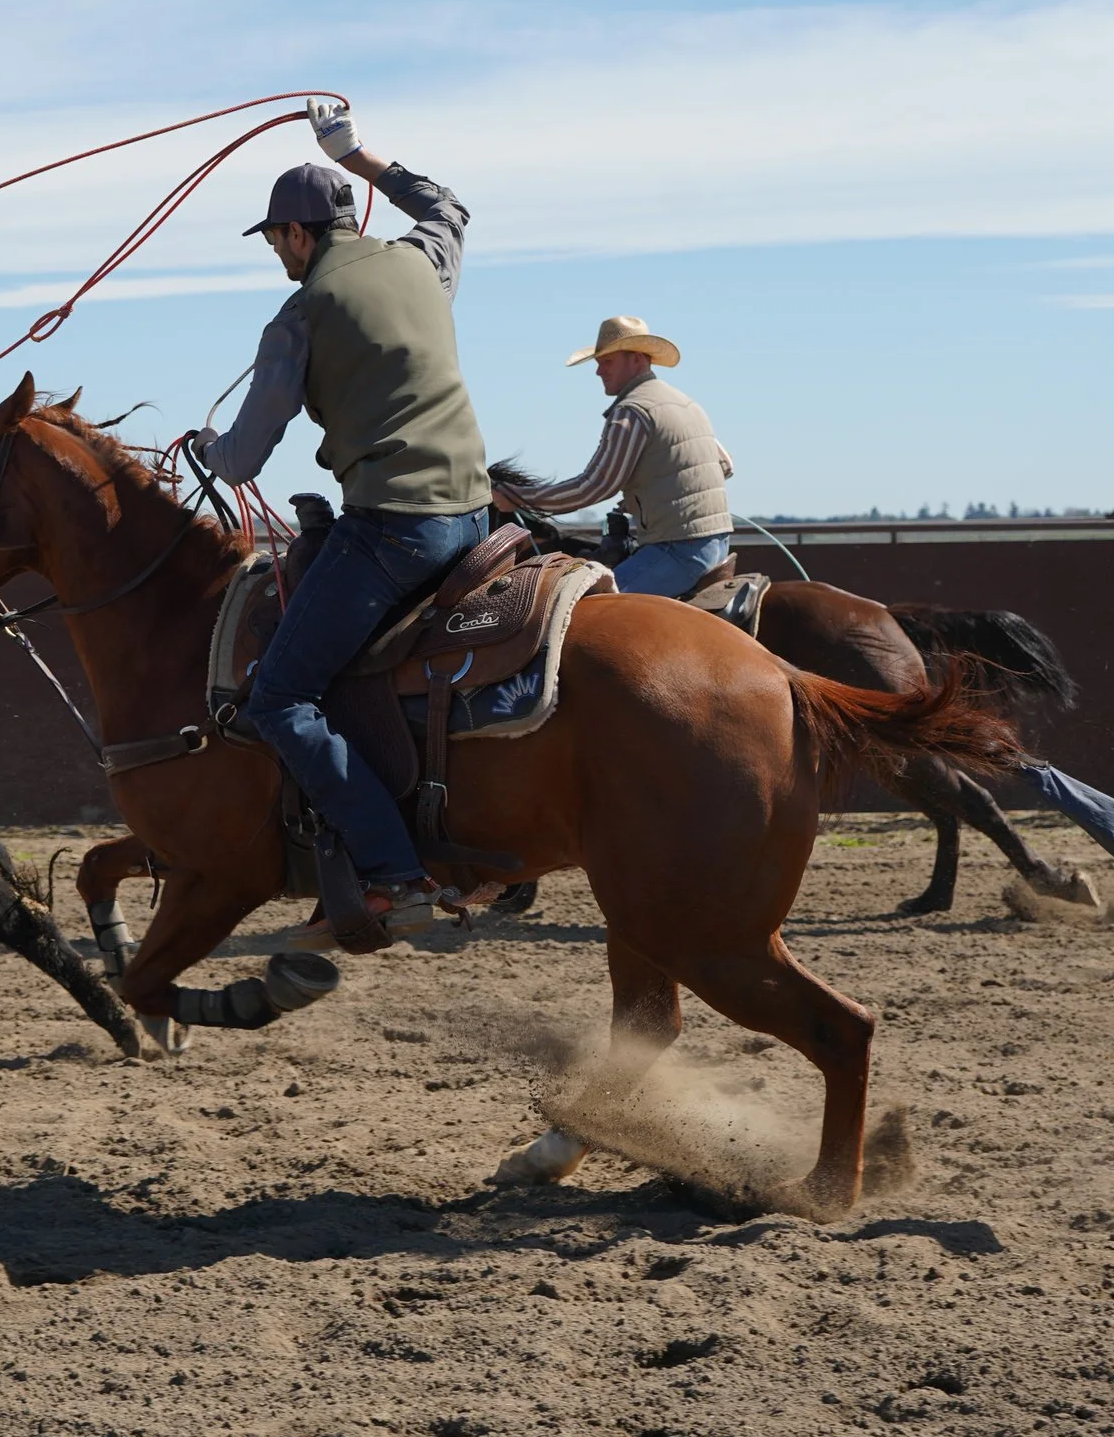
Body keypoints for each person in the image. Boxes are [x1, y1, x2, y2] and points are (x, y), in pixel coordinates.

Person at [193, 101, 490, 942]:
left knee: (282, 696)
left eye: (275, 241)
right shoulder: (421, 264)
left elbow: (247, 457)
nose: (276, 256)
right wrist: (356, 152)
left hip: (396, 528)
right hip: (475, 518)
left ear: (295, 234)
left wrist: (210, 449)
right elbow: (448, 209)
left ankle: (394, 872)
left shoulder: (296, 317)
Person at [493, 316, 736, 597]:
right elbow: (725, 465)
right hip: (715, 543)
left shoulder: (633, 410)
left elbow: (593, 488)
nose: (598, 371)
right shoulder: (685, 402)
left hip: (676, 549)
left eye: (606, 361)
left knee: (579, 607)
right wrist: (651, 492)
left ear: (635, 359)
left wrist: (516, 496)